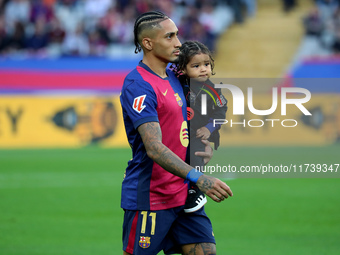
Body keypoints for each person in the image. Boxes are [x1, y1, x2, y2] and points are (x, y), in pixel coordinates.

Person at [120, 11, 233, 255]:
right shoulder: (138, 85)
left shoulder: (176, 77)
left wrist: (202, 146)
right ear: (148, 43)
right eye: (169, 36)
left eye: (177, 35)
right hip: (151, 197)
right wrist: (199, 178)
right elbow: (154, 148)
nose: (178, 43)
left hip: (184, 196)